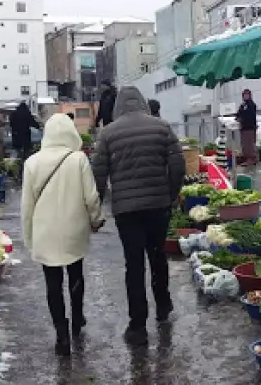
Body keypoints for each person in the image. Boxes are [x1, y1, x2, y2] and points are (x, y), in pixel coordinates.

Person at [92, 86, 185, 346]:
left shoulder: (107, 133)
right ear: (143, 102)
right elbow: (178, 165)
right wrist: (170, 195)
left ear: (118, 106)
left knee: (133, 264)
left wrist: (96, 206)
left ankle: (138, 327)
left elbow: (98, 174)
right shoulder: (162, 127)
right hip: (158, 206)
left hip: (126, 211)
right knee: (158, 257)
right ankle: (164, 306)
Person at [22, 114, 103, 356]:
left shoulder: (32, 163)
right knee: (76, 274)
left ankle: (61, 335)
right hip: (73, 230)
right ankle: (77, 320)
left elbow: (27, 207)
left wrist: (29, 238)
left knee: (53, 283)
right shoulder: (78, 159)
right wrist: (97, 220)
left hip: (45, 233)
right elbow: (91, 197)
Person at [235, 89, 258, 165]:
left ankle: (251, 159)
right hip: (243, 128)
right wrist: (238, 118)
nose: (246, 96)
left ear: (250, 95)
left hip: (250, 127)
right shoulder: (242, 105)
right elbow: (238, 114)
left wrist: (242, 118)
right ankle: (246, 158)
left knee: (250, 144)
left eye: (247, 95)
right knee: (244, 144)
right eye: (244, 95)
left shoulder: (252, 105)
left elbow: (249, 115)